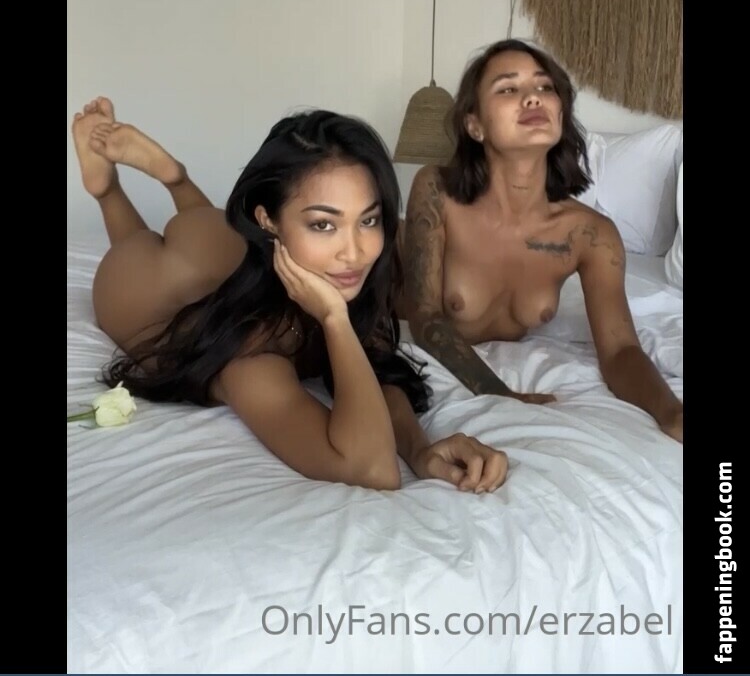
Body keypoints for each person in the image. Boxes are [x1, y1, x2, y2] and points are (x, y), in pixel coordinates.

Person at [71, 98, 510, 491]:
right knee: (140, 250)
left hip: (218, 240)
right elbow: (372, 469)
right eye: (324, 224)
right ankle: (108, 190)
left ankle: (175, 177)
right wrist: (333, 320)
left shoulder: (343, 271)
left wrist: (420, 451)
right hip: (144, 286)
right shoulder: (249, 357)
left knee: (215, 232)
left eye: (368, 220)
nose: (355, 252)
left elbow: (375, 370)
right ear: (268, 221)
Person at [401, 39, 683, 444]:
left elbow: (621, 351)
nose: (533, 97)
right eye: (508, 88)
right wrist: (499, 394)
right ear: (474, 124)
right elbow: (425, 317)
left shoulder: (591, 235)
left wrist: (671, 411)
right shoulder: (435, 190)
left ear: (560, 113)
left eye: (545, 87)